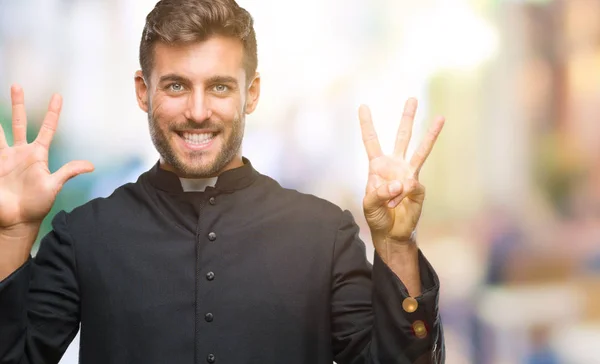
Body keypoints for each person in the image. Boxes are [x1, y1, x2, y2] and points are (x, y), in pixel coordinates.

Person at [0, 0, 446, 363]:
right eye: (175, 86)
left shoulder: (323, 233)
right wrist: (14, 233)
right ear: (143, 91)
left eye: (219, 87)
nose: (197, 111)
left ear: (250, 93)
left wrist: (395, 245)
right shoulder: (85, 236)